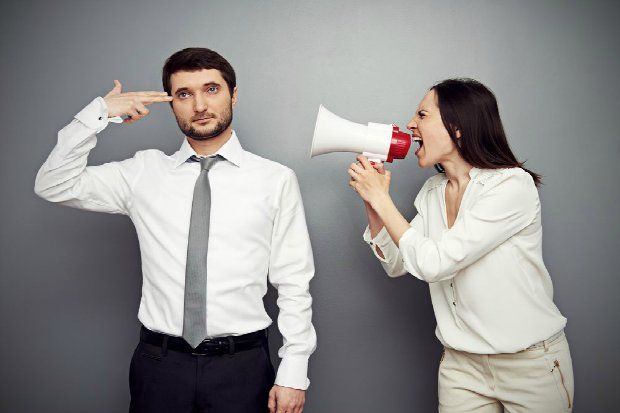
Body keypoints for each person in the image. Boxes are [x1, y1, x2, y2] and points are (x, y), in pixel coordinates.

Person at [34, 47, 316, 413]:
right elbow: (53, 183)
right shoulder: (143, 173)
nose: (199, 105)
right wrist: (99, 114)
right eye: (184, 94)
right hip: (160, 367)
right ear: (171, 104)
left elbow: (294, 281)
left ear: (233, 94)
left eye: (211, 89)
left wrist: (294, 370)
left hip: (242, 367)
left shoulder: (275, 179)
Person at [348, 78, 574, 412]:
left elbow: (435, 264)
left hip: (529, 365)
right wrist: (373, 202)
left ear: (457, 127)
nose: (410, 124)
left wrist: (383, 199)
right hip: (461, 367)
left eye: (422, 115)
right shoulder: (432, 191)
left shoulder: (511, 186)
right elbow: (397, 263)